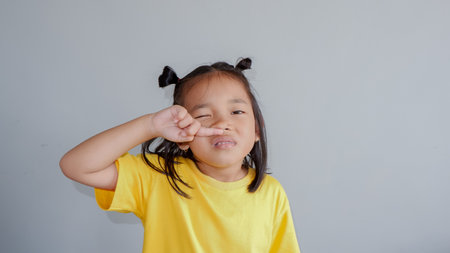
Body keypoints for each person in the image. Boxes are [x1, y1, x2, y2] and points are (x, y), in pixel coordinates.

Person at [60, 58, 300, 252]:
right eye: (204, 115)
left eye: (236, 111)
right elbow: (76, 166)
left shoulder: (272, 192)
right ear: (182, 134)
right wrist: (150, 125)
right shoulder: (157, 177)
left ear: (257, 129)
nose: (223, 122)